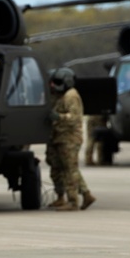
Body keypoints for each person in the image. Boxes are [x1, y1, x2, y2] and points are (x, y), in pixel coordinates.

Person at [46, 67, 95, 211]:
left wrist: (58, 117)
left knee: (70, 170)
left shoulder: (71, 96)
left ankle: (73, 201)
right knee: (58, 168)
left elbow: (74, 118)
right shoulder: (59, 95)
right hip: (57, 137)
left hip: (69, 138)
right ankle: (74, 196)